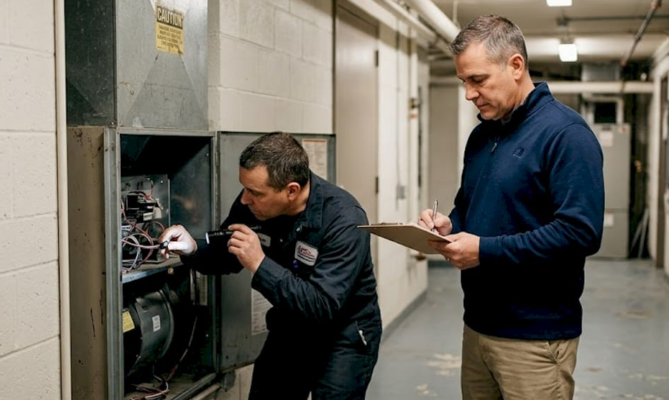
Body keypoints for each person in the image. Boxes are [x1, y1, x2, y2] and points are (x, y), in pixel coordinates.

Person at [417, 15, 604, 400]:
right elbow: (469, 208)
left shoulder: (566, 135)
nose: (469, 93)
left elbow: (580, 232)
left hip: (536, 337)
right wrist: (448, 226)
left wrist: (484, 251)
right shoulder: (483, 136)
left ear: (515, 65)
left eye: (478, 80)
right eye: (463, 82)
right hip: (479, 326)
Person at [160, 132, 381, 400]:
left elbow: (322, 305)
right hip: (291, 325)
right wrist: (193, 248)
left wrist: (260, 263)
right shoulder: (252, 205)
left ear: (291, 191)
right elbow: (229, 252)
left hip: (343, 335)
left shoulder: (344, 220)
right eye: (244, 188)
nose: (244, 199)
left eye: (254, 192)